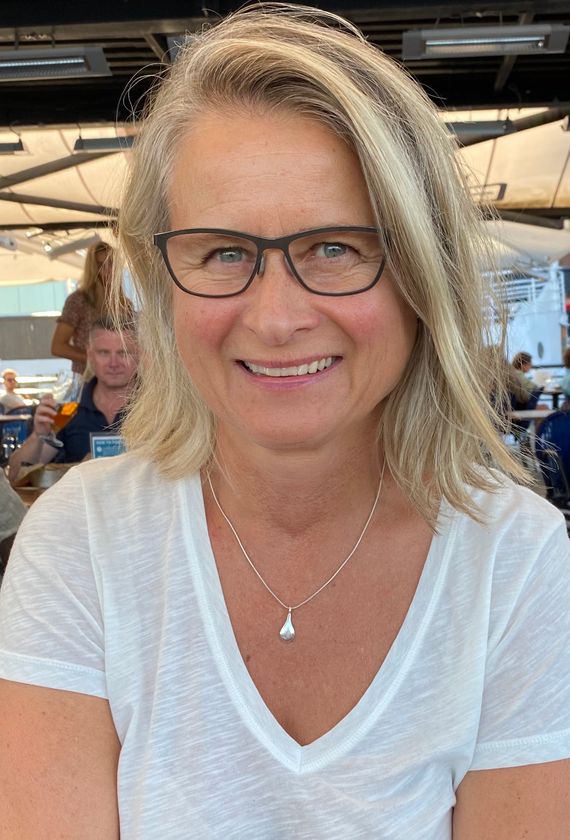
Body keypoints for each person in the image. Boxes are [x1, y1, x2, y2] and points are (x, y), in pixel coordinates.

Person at [0, 7, 568, 839]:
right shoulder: (80, 542)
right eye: (223, 251)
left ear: (422, 274)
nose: (274, 318)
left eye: (336, 247)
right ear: (163, 285)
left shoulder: (514, 558)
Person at [8, 319, 137, 482]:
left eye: (123, 353)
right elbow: (16, 475)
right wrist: (38, 435)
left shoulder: (158, 408)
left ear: (139, 354)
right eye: (104, 353)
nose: (113, 363)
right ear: (90, 355)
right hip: (80, 498)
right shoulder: (67, 409)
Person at [51, 241, 132, 376]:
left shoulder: (124, 304)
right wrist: (94, 359)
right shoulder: (78, 300)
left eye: (111, 263)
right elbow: (58, 347)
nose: (109, 270)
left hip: (119, 378)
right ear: (93, 269)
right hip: (88, 378)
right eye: (101, 265)